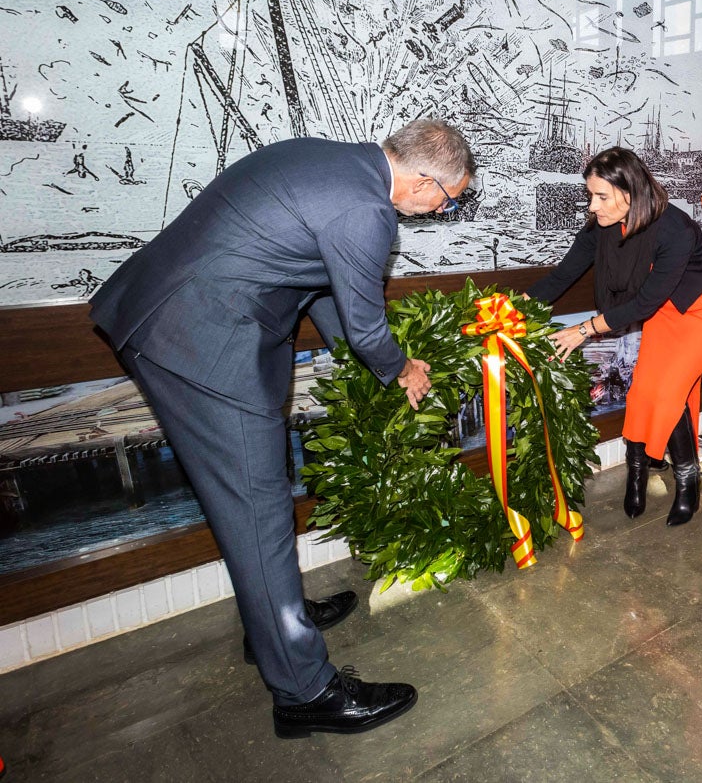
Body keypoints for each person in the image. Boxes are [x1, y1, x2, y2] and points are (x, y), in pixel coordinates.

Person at [89, 118, 473, 737]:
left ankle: (276, 621)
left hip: (176, 317)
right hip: (200, 341)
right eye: (446, 201)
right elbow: (367, 323)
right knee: (259, 506)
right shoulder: (367, 210)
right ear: (425, 182)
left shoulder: (328, 163)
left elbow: (322, 287)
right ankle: (303, 691)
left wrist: (370, 360)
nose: (436, 212)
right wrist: (400, 368)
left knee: (256, 500)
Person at [528, 147, 702, 527]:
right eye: (590, 195)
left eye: (601, 196)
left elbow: (644, 302)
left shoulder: (672, 227)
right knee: (644, 390)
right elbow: (563, 275)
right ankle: (637, 470)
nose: (593, 206)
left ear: (631, 193)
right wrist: (517, 304)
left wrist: (584, 330)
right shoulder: (602, 226)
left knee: (669, 390)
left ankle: (687, 481)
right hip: (663, 308)